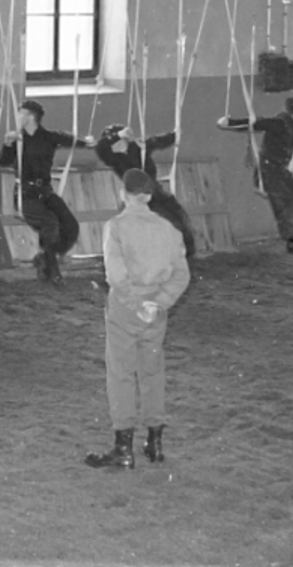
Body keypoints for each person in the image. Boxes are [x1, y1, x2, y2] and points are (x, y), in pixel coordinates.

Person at [85, 168, 191, 470]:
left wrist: (135, 304)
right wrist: (159, 303)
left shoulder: (117, 227)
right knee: (152, 371)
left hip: (125, 307)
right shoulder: (170, 229)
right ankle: (154, 443)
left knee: (120, 373)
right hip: (156, 309)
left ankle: (123, 448)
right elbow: (181, 275)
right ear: (149, 195)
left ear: (124, 194)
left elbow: (116, 276)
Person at [217, 97, 293, 258]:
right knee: (288, 203)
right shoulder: (278, 123)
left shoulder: (291, 126)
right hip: (268, 172)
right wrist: (230, 123)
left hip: (280, 172)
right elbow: (255, 123)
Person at [0, 100, 92, 286]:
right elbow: (3, 162)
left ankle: (44, 256)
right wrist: (7, 144)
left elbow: (69, 139)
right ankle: (53, 271)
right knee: (50, 223)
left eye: (21, 113)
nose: (18, 117)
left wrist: (86, 142)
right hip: (26, 194)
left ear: (31, 117)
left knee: (70, 226)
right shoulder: (17, 140)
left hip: (46, 192)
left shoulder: (48, 137)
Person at [95, 123, 197, 258]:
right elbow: (101, 147)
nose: (115, 145)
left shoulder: (137, 147)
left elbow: (156, 141)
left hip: (155, 191)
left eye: (118, 141)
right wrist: (118, 135)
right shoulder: (112, 157)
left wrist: (174, 134)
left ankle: (186, 254)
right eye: (113, 142)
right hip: (136, 195)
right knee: (156, 223)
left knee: (179, 218)